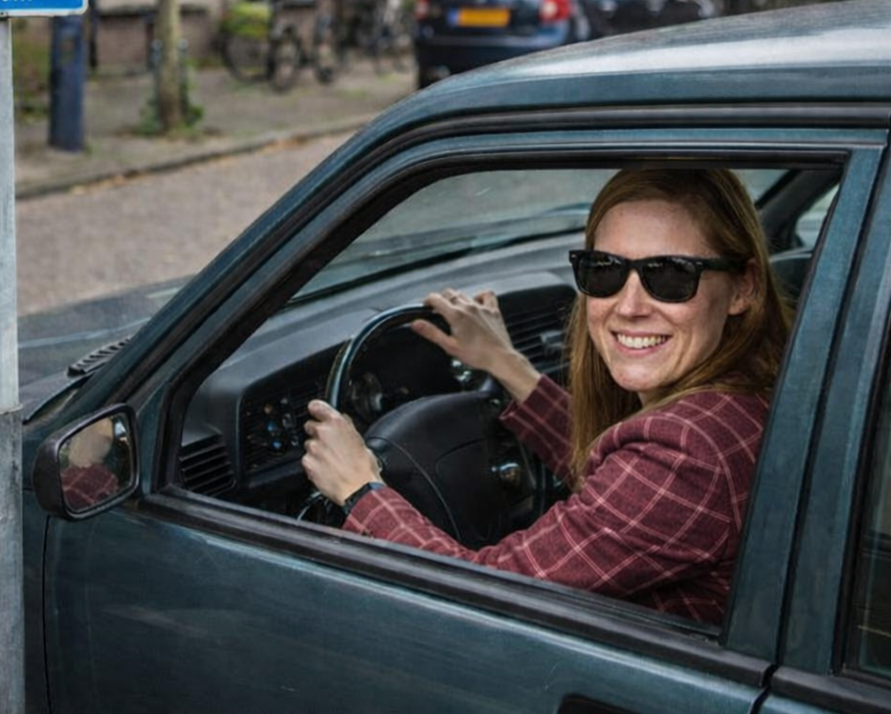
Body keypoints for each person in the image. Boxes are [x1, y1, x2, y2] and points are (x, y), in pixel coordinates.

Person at [302, 168, 791, 624]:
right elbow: (619, 488)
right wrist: (506, 365)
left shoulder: (688, 454)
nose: (629, 306)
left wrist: (360, 488)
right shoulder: (752, 392)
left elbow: (488, 596)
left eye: (670, 276)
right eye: (605, 270)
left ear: (742, 288)